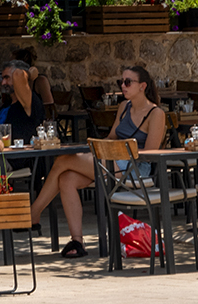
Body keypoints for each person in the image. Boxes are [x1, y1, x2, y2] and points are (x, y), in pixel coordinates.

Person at [30, 63, 165, 257]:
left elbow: (150, 152)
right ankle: (77, 242)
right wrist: (100, 147)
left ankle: (33, 213)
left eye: (128, 82)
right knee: (66, 178)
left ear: (142, 86)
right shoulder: (124, 107)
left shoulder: (155, 113)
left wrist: (113, 151)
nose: (123, 86)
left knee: (63, 160)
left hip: (135, 169)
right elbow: (111, 138)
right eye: (121, 82)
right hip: (112, 161)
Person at [0, 59, 46, 141]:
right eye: (3, 78)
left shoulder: (29, 101)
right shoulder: (8, 104)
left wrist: (30, 74)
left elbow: (18, 74)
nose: (3, 83)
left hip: (20, 152)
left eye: (7, 77)